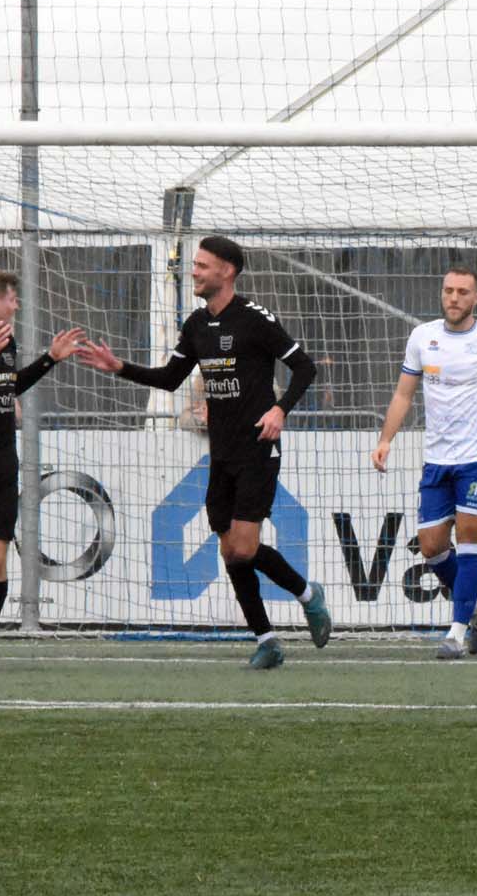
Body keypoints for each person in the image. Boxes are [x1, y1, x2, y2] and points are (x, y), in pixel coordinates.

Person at [77, 236, 331, 669]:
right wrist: (120, 368)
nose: (193, 271)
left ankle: (309, 595)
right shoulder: (196, 324)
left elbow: (304, 367)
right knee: (230, 552)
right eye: (194, 264)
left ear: (227, 271)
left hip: (257, 449)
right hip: (221, 453)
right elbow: (170, 378)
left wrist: (279, 409)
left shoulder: (255, 318)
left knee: (244, 548)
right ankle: (267, 640)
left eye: (202, 265)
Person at [371, 265, 477, 659]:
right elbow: (403, 395)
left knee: (469, 539)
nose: (454, 298)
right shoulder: (422, 337)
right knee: (431, 548)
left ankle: (456, 631)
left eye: (462, 292)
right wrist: (385, 440)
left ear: (476, 298)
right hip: (436, 460)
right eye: (448, 290)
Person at [0, 268, 86, 671]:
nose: (16, 306)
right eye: (12, 299)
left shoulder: (7, 341)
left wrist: (50, 359)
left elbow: (9, 386)